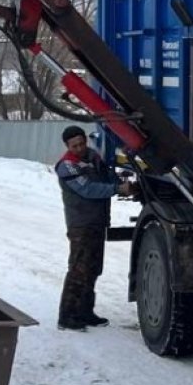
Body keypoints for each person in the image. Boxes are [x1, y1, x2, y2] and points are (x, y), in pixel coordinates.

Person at [54, 125, 132, 331]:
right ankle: (68, 316)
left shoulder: (93, 157)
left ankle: (85, 311)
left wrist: (120, 180)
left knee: (93, 269)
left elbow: (107, 176)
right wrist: (116, 189)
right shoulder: (67, 166)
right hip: (81, 224)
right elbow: (88, 189)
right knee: (79, 270)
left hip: (97, 221)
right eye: (74, 145)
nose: (79, 147)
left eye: (81, 143)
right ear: (68, 146)